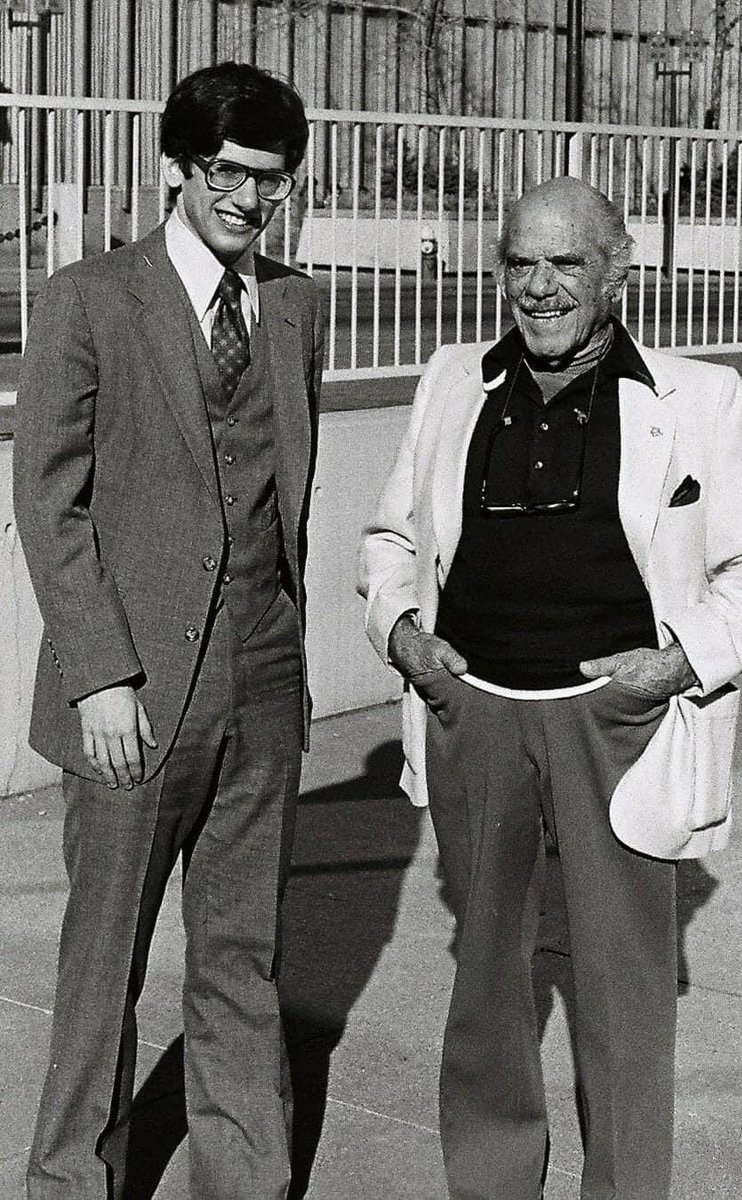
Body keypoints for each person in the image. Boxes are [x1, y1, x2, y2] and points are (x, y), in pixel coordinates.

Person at [358, 176, 742, 1199]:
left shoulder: (700, 395)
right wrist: (406, 635)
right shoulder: (449, 381)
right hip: (475, 712)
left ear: (617, 270)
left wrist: (677, 662)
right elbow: (390, 540)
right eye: (521, 261)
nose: (541, 286)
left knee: (623, 998)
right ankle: (496, 1183)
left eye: (567, 263)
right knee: (485, 994)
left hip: (619, 724)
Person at [14, 62, 322, 1199]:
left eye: (271, 183)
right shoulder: (91, 298)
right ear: (176, 169)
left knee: (243, 963)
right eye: (229, 175)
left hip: (262, 680)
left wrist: (280, 663)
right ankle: (67, 1184)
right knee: (105, 966)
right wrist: (99, 676)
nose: (249, 201)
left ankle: (245, 1181)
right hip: (134, 694)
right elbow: (49, 501)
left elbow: (282, 490)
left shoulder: (295, 307)